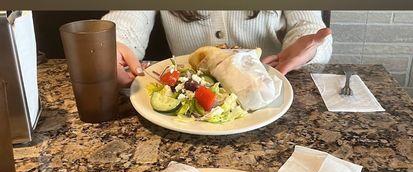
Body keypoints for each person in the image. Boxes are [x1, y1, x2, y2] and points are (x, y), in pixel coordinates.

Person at [102, 10, 332, 87]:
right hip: (190, 101)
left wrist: (307, 47)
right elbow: (129, 18)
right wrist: (111, 44)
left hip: (268, 90)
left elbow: (308, 26)